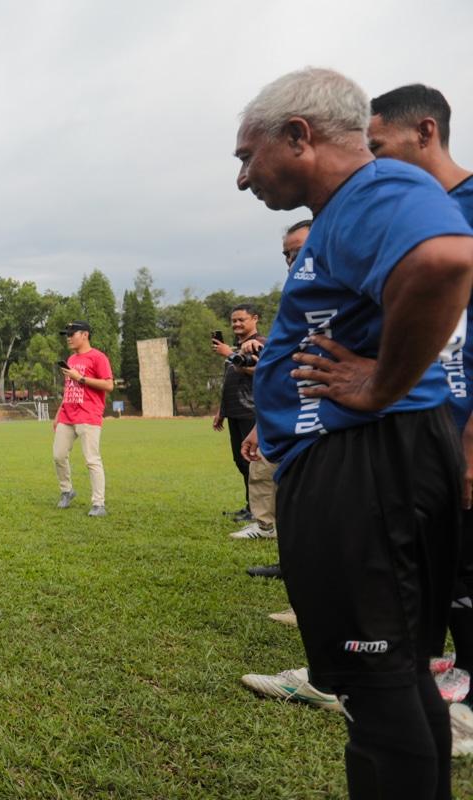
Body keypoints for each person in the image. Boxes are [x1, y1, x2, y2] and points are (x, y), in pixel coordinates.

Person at [234, 67, 473, 798]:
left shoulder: (374, 188)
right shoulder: (348, 207)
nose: (243, 178)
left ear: (298, 136)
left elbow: (445, 260)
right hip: (366, 459)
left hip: (365, 463)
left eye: (247, 156)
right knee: (395, 678)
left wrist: (381, 384)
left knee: (377, 687)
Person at [367, 83, 473, 757]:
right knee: (428, 570)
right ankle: (427, 682)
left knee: (465, 572)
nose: (372, 161)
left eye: (379, 146)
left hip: (463, 431)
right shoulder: (410, 213)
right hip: (423, 428)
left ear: (425, 131)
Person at [244, 220, 311, 579]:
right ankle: (294, 566)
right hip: (286, 422)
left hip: (324, 425)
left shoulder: (348, 291)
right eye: (286, 254)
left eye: (298, 252)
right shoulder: (297, 298)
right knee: (291, 499)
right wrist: (262, 424)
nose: (291, 261)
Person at [52, 320, 113, 517]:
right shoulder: (71, 359)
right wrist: (58, 413)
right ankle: (67, 491)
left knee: (92, 460)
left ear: (85, 335)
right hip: (67, 415)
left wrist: (81, 378)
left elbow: (109, 385)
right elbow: (69, 388)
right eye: (67, 335)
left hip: (88, 414)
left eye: (72, 334)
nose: (68, 338)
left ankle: (98, 504)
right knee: (58, 455)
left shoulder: (98, 357)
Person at [211, 305, 264, 524]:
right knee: (241, 461)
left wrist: (229, 354)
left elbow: (262, 371)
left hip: (251, 411)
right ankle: (251, 507)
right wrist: (221, 411)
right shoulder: (238, 347)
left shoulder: (259, 344)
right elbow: (230, 382)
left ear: (255, 319)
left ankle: (260, 511)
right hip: (234, 411)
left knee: (253, 462)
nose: (236, 324)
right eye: (234, 321)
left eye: (241, 319)